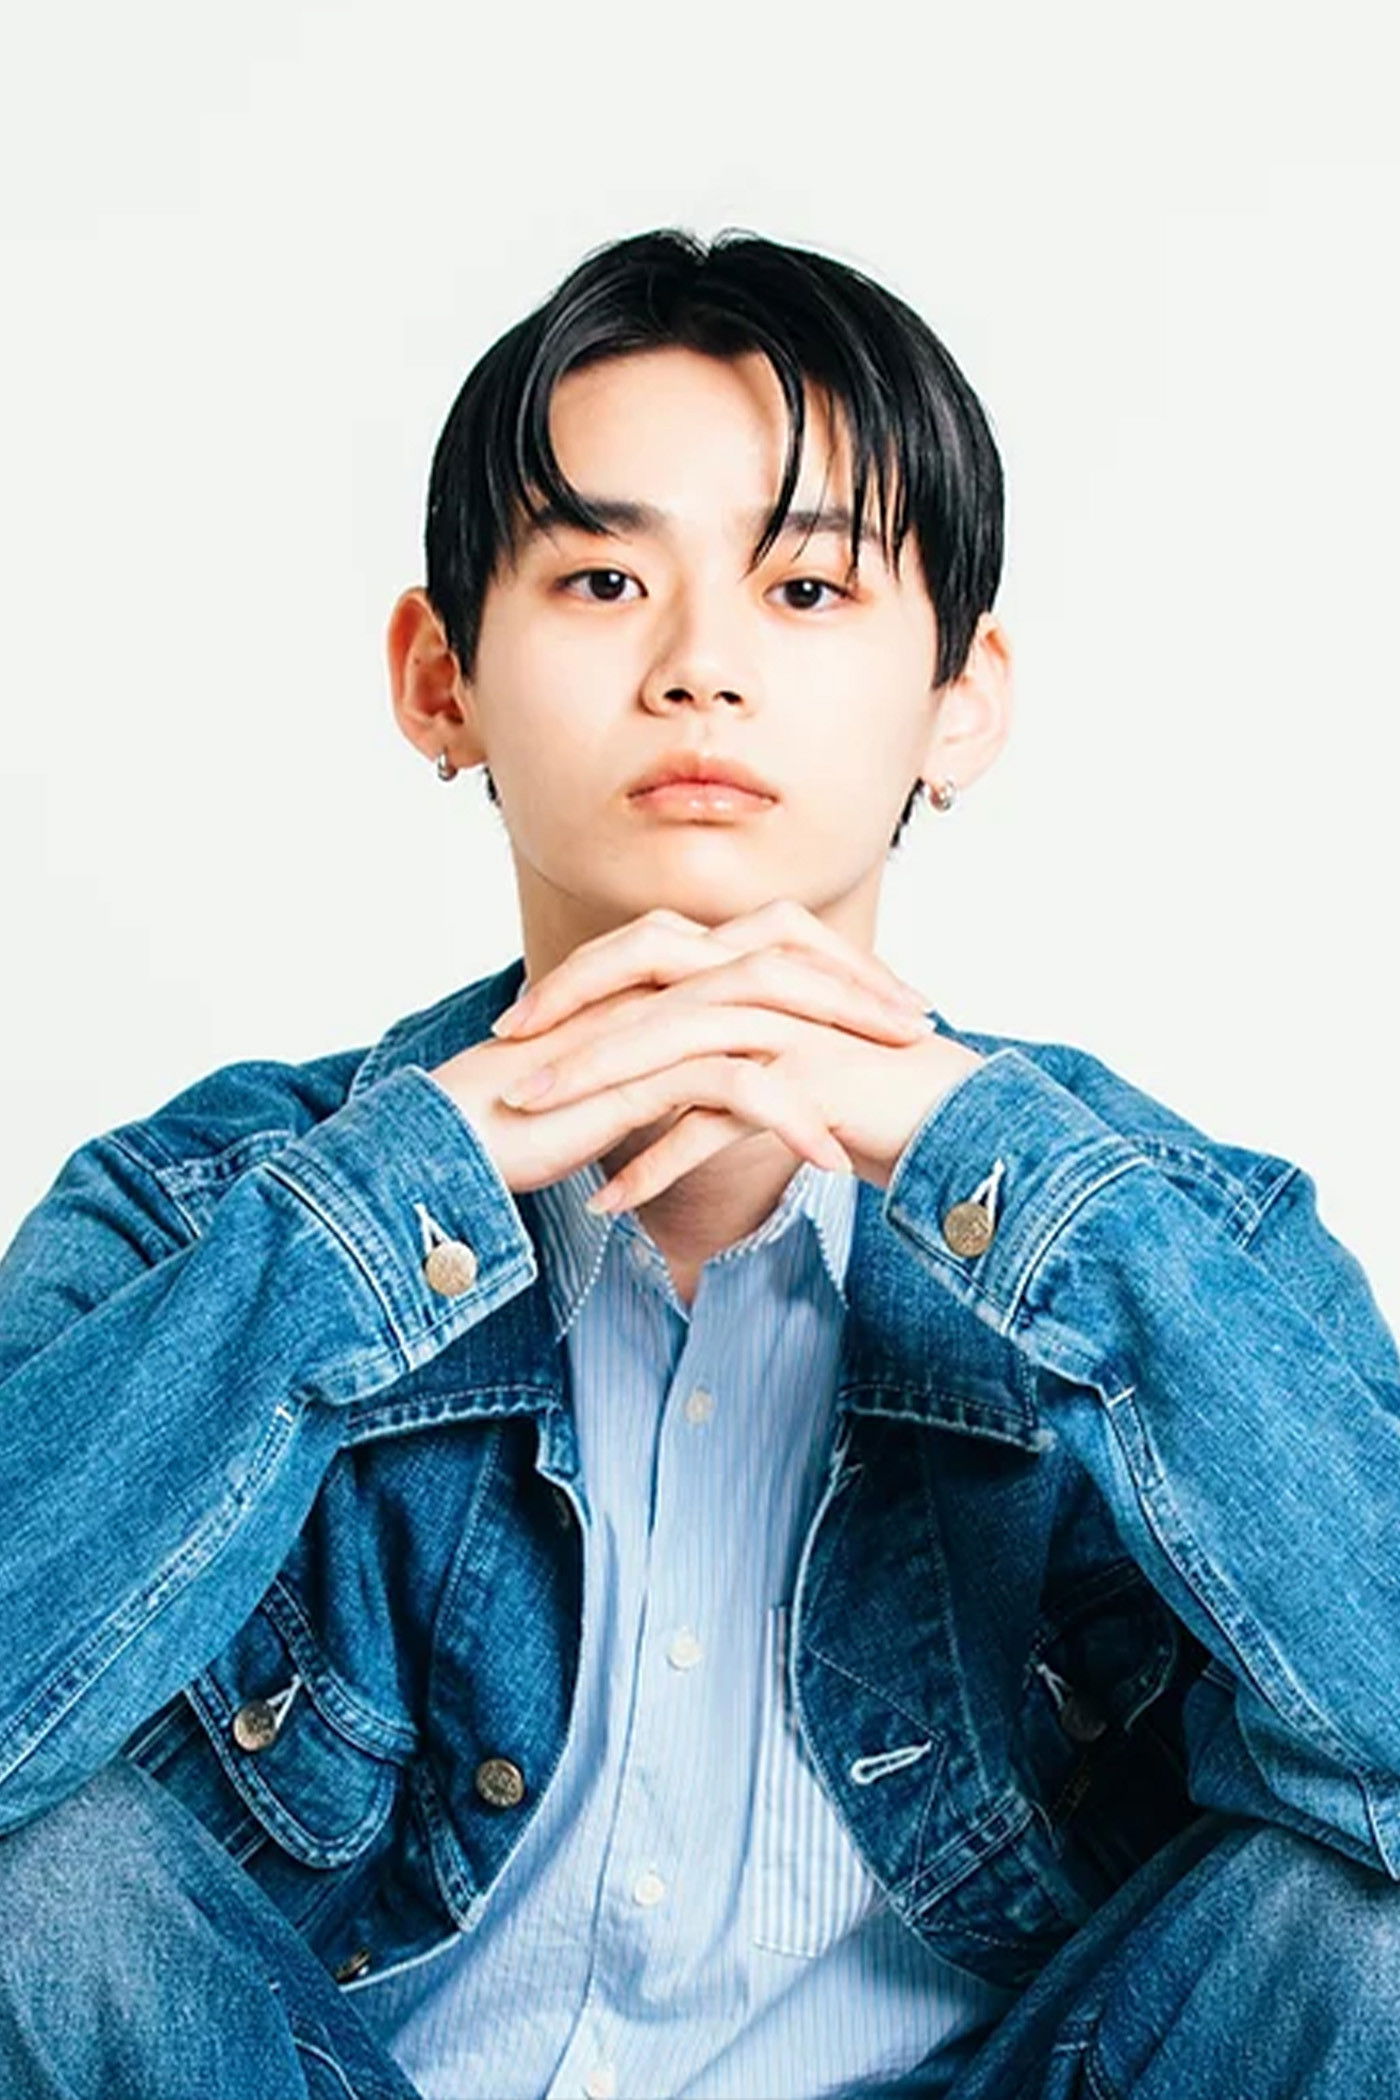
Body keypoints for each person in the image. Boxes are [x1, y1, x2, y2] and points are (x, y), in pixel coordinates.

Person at [1, 226, 1397, 2100]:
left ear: (962, 697)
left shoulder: (1194, 1245)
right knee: (36, 1891)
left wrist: (1019, 1197)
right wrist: (385, 1217)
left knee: (1366, 1932)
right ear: (439, 678)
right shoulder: (189, 1218)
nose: (701, 670)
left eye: (807, 588)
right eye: (602, 578)